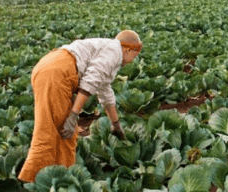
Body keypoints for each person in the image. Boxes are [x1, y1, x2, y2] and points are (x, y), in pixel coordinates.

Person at [18, 30, 143, 183]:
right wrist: (73, 115)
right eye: (134, 56)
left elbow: (105, 91)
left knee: (64, 134)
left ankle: (56, 179)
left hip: (50, 67)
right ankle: (31, 183)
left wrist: (115, 124)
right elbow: (90, 82)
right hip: (57, 73)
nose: (132, 60)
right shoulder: (114, 52)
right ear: (130, 49)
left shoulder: (109, 50)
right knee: (51, 133)